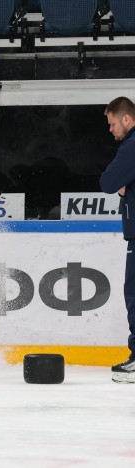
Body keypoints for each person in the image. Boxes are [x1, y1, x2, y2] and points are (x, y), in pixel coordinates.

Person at [100, 96, 135, 384]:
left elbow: (108, 182)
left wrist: (125, 188)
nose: (110, 130)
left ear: (126, 119)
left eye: (112, 123)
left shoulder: (133, 144)